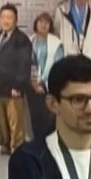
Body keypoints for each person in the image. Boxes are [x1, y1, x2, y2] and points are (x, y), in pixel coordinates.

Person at [0, 4, 34, 156]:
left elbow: (25, 63)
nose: (6, 20)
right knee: (1, 122)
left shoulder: (22, 39)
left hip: (13, 88)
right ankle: (5, 145)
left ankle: (17, 148)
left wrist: (18, 85)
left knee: (15, 121)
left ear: (16, 20)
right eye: (3, 17)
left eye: (10, 17)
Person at [28, 12, 65, 140]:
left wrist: (42, 80)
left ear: (50, 25)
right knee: (35, 117)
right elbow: (27, 62)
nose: (43, 25)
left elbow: (57, 64)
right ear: (36, 24)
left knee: (48, 118)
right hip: (32, 86)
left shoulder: (56, 43)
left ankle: (49, 143)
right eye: (40, 22)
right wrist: (34, 82)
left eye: (46, 22)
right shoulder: (30, 40)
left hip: (48, 86)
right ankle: (37, 143)